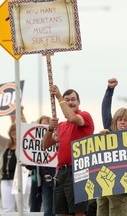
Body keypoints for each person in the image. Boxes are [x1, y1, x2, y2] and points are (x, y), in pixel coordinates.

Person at [42, 85, 94, 216]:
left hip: (78, 170)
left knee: (79, 212)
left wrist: (59, 97)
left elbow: (73, 118)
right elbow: (44, 145)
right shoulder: (61, 126)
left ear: (78, 102)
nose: (70, 102)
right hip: (61, 172)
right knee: (62, 212)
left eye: (73, 99)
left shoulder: (84, 116)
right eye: (67, 99)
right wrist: (50, 128)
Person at [97, 78, 127, 216]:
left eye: (126, 120)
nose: (122, 123)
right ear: (115, 122)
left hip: (121, 188)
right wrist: (109, 90)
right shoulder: (109, 132)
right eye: (120, 119)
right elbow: (105, 110)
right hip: (103, 186)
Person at [0, 115, 31, 212]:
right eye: (13, 130)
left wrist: (21, 113)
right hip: (6, 178)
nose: (14, 132)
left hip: (20, 178)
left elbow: (27, 127)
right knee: (7, 209)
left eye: (17, 130)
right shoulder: (6, 143)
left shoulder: (24, 143)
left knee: (22, 207)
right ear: (10, 133)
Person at [27, 115, 56, 216]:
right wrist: (26, 161)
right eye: (43, 125)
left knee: (57, 210)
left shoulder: (56, 139)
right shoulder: (36, 143)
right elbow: (32, 166)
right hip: (42, 181)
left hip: (56, 179)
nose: (45, 127)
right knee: (46, 210)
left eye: (48, 125)